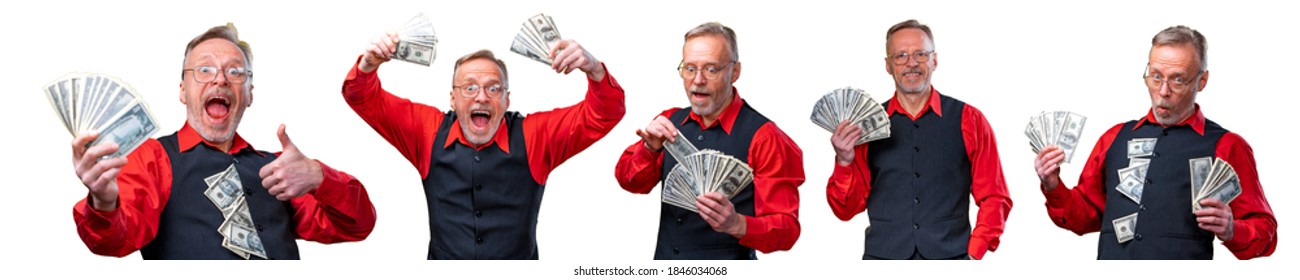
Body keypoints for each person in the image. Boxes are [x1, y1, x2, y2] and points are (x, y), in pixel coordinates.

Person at [70, 23, 377, 260]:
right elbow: (115, 241)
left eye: (235, 71)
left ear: (250, 95)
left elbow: (357, 225)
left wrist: (319, 177)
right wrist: (104, 201)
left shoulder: (278, 169)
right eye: (204, 70)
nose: (220, 79)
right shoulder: (153, 157)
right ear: (182, 91)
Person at [342, 32, 624, 259]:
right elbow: (362, 98)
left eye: (493, 88)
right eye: (469, 87)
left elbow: (604, 114)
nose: (481, 97)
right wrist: (368, 64)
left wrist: (594, 69)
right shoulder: (426, 132)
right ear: (453, 99)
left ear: (507, 100)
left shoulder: (534, 136)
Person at [1032, 25, 1277, 260]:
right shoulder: (1114, 138)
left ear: (1201, 81)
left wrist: (1232, 229)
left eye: (1178, 80)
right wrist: (1053, 185)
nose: (1163, 91)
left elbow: (1266, 232)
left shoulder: (1227, 145)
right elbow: (1084, 218)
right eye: (1156, 76)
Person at [614, 22, 804, 260]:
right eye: (690, 68)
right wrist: (648, 149)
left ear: (734, 72)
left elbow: (786, 230)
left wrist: (738, 224)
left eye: (711, 69)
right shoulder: (669, 121)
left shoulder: (766, 138)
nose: (698, 80)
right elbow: (630, 183)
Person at [824, 19, 1012, 260]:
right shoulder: (864, 128)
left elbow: (995, 196)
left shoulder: (970, 120)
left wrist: (974, 253)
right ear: (888, 65)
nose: (911, 63)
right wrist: (844, 161)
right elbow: (845, 210)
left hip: (952, 258)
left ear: (934, 60)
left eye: (920, 54)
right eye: (900, 55)